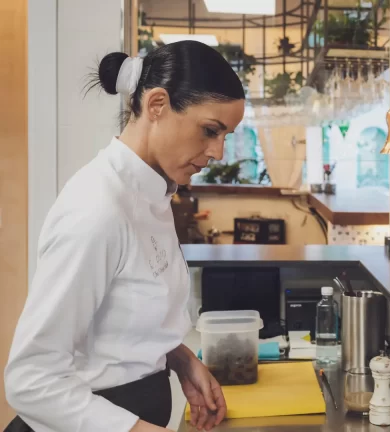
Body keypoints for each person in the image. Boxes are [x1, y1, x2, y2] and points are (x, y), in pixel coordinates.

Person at [5, 41, 245, 432]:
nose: (218, 151)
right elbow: (31, 380)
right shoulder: (97, 210)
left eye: (225, 135)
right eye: (210, 130)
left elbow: (117, 326)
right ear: (156, 105)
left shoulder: (152, 194)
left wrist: (181, 359)